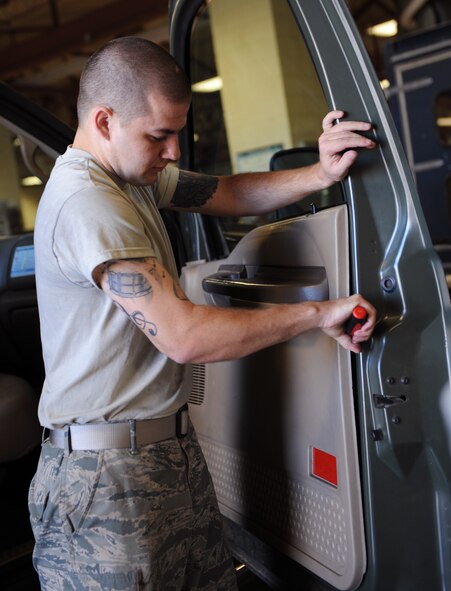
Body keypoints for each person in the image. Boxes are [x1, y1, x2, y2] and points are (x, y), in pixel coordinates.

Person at [29, 36, 377, 591]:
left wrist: (321, 173)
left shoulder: (132, 177)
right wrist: (317, 314)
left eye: (175, 133)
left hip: (169, 455)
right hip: (104, 482)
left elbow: (227, 193)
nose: (173, 152)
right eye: (158, 135)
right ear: (103, 121)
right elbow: (184, 337)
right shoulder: (88, 202)